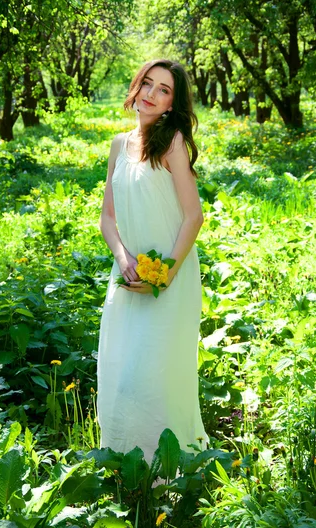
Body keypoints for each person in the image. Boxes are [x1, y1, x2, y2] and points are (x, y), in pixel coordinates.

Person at [97, 59, 208, 462]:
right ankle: (127, 466)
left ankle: (170, 471)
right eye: (148, 83)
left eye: (164, 90)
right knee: (122, 369)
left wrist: (165, 276)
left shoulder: (173, 142)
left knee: (156, 374)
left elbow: (194, 216)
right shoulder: (117, 146)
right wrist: (124, 259)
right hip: (127, 274)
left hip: (171, 276)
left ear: (171, 104)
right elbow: (107, 218)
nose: (151, 93)